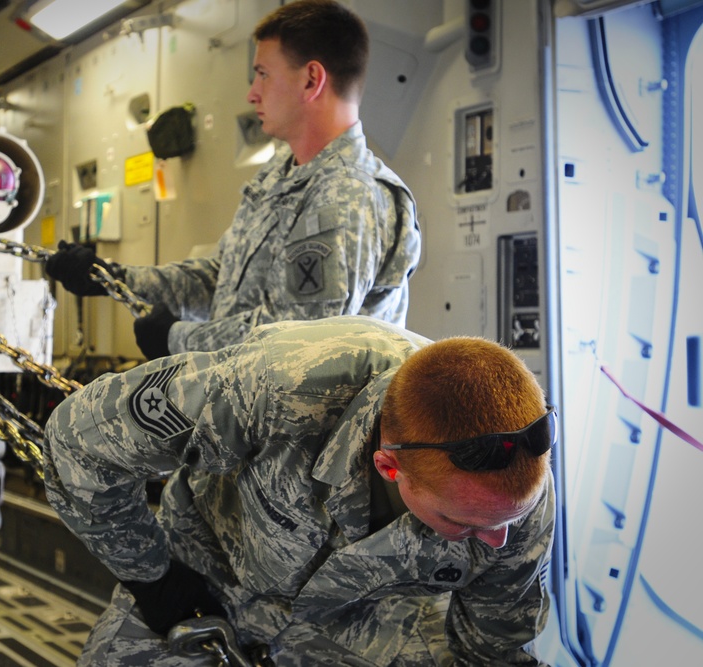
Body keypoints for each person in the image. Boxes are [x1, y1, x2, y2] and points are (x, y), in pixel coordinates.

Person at [42, 315, 557, 666]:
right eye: (463, 524)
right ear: (388, 466)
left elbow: (492, 645)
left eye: (504, 523)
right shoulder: (280, 386)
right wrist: (152, 577)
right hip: (212, 580)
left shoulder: (511, 494)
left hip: (363, 622)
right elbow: (77, 441)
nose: (495, 540)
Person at [44, 0, 422, 360]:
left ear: (311, 80)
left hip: (310, 428)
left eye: (262, 74)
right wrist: (114, 277)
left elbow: (299, 339)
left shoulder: (349, 193)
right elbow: (217, 277)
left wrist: (177, 338)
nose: (252, 93)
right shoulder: (279, 176)